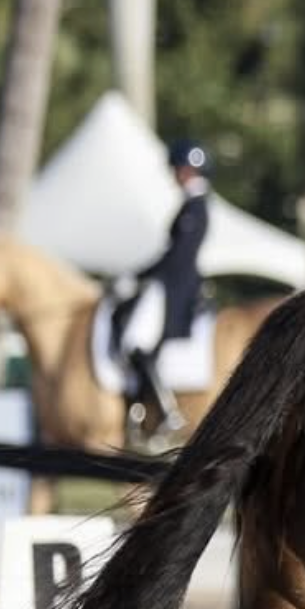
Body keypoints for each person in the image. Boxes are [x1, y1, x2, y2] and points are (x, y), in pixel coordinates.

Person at [118, 139, 212, 441]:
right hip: (172, 283)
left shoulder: (194, 208)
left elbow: (176, 258)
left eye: (176, 170)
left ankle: (166, 411)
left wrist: (139, 276)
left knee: (135, 341)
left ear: (185, 171)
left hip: (174, 288)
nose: (174, 175)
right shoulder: (193, 206)